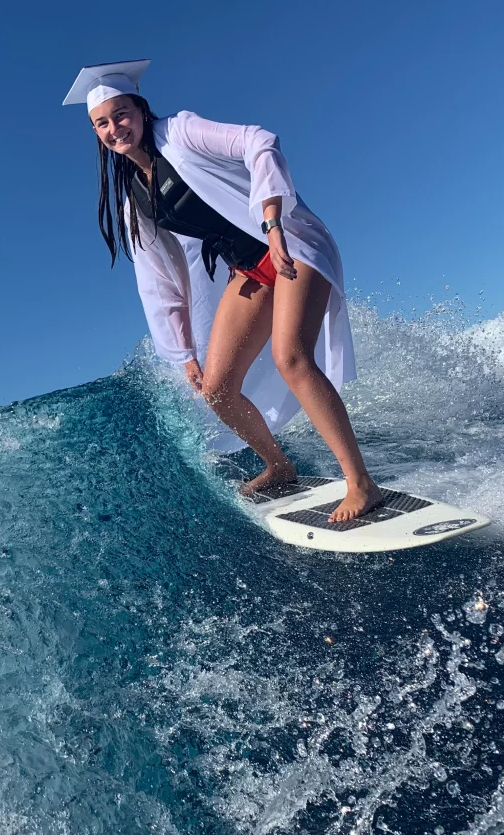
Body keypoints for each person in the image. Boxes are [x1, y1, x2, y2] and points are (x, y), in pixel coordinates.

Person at [64, 59, 380, 522]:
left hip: (290, 244)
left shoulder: (180, 132)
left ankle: (360, 483)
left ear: (141, 110)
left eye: (121, 115)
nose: (115, 129)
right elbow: (158, 279)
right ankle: (279, 466)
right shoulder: (136, 198)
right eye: (102, 124)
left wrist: (272, 221)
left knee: (291, 358)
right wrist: (183, 353)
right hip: (249, 269)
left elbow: (259, 140)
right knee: (217, 389)